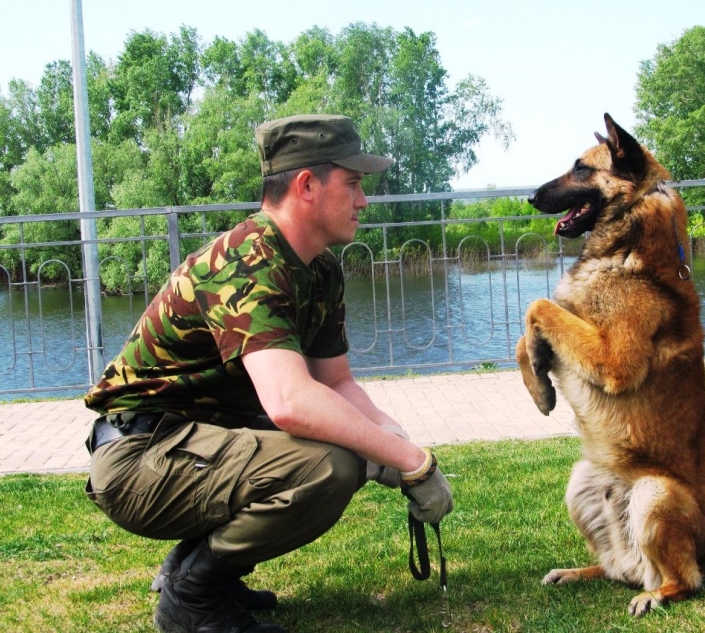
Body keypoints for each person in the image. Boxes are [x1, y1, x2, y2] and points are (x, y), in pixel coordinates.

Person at [83, 114, 454, 633]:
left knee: (350, 444)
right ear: (306, 185)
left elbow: (336, 384)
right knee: (329, 465)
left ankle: (198, 569)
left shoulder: (319, 267)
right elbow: (289, 401)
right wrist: (413, 463)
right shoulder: (247, 259)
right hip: (138, 458)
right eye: (352, 183)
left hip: (194, 443)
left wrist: (391, 438)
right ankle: (193, 596)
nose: (364, 201)